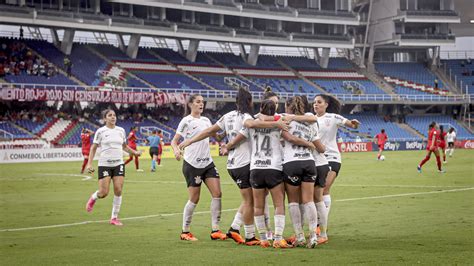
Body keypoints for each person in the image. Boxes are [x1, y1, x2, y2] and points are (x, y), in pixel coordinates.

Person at [178, 88, 288, 246]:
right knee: (252, 200)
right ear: (249, 102)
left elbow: (210, 131)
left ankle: (236, 228)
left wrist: (190, 141)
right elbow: (243, 134)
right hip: (245, 163)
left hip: (232, 164)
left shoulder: (227, 116)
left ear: (236, 102)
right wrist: (228, 145)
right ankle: (250, 235)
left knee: (254, 198)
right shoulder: (247, 117)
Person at [232, 99, 293, 248]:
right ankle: (278, 237)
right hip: (273, 167)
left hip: (256, 168)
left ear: (260, 108)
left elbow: (249, 124)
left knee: (258, 206)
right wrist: (276, 123)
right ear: (275, 109)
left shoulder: (251, 119)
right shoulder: (280, 120)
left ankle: (264, 239)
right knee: (279, 204)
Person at [171, 94, 226, 242]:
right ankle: (185, 231)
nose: (201, 104)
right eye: (198, 102)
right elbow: (174, 141)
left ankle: (215, 230)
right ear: (190, 104)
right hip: (192, 164)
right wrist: (176, 151)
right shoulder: (186, 121)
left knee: (217, 193)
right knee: (195, 198)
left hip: (207, 163)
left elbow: (218, 137)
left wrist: (229, 128)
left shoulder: (206, 120)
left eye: (202, 102)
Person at [85, 109, 142, 226]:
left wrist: (134, 153)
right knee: (104, 192)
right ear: (105, 118)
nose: (113, 117)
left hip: (118, 164)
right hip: (105, 164)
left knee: (118, 189)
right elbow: (93, 148)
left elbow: (124, 146)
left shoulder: (121, 130)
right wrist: (89, 164)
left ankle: (114, 218)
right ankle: (93, 198)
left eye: (114, 115)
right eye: (110, 115)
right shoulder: (100, 131)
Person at [280, 96, 323, 248]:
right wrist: (309, 144)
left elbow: (288, 138)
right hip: (309, 162)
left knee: (293, 201)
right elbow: (314, 121)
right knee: (308, 200)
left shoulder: (285, 119)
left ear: (288, 107)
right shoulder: (310, 119)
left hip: (292, 162)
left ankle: (299, 236)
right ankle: (313, 236)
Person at [312, 94, 360, 231]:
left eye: (319, 102)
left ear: (326, 104)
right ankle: (316, 224)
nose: (316, 104)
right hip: (316, 159)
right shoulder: (310, 118)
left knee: (325, 189)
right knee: (315, 193)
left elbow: (350, 123)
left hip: (332, 157)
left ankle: (321, 226)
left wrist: (354, 124)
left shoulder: (332, 118)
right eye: (314, 102)